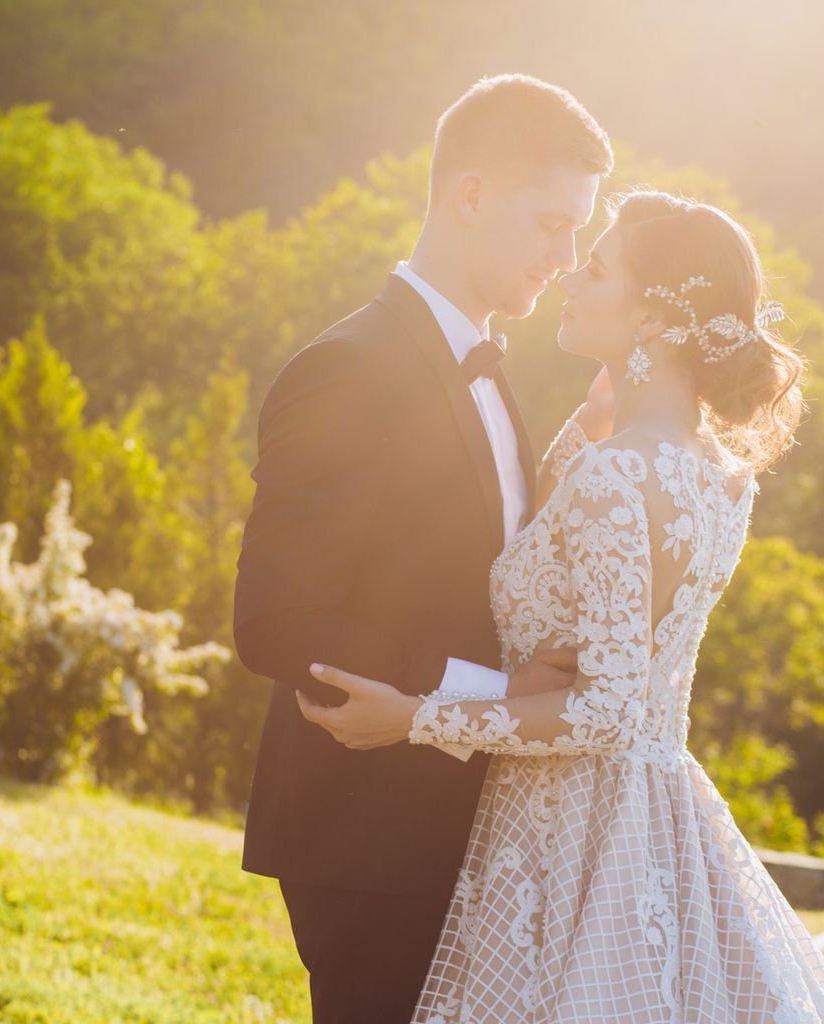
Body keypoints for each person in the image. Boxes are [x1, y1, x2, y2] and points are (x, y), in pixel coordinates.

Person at [300, 190, 824, 1022]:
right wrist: (595, 417)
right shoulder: (720, 477)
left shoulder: (616, 477)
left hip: (570, 831)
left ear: (649, 318)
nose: (568, 276)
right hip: (656, 813)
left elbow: (602, 709)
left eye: (595, 268)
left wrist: (414, 717)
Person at [233, 74, 615, 1023]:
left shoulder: (493, 371)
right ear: (472, 196)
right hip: (369, 832)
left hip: (467, 821)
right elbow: (276, 620)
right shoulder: (347, 370)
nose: (566, 259)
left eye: (580, 235)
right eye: (551, 224)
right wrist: (488, 695)